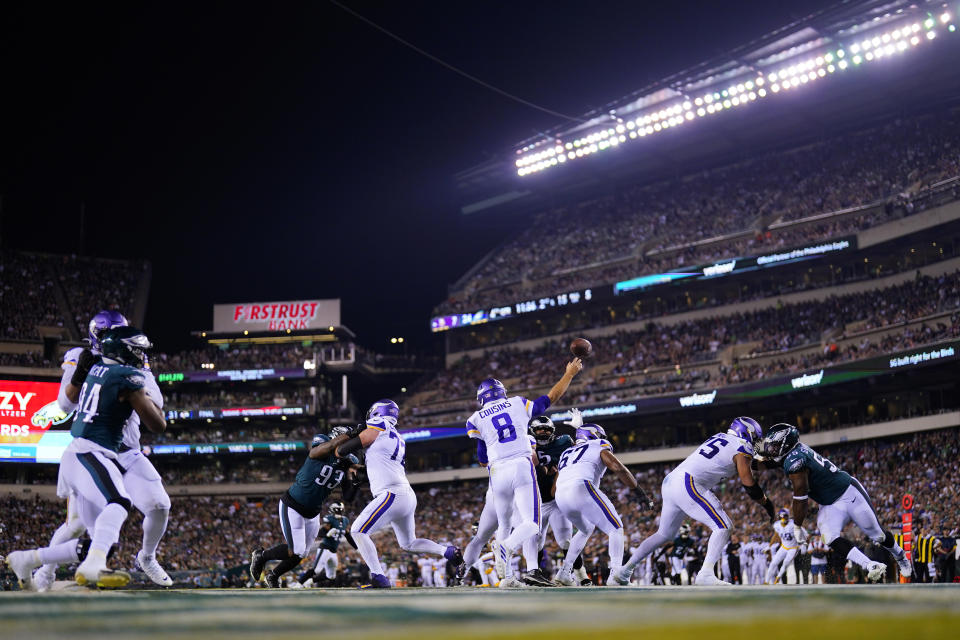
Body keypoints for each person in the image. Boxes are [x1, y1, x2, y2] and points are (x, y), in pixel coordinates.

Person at [5, 327, 166, 589]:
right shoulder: (127, 376)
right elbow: (158, 425)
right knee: (118, 502)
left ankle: (28, 559)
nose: (142, 356)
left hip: (83, 453)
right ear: (124, 351)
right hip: (89, 453)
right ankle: (92, 566)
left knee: (99, 540)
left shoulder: (94, 368)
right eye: (137, 350)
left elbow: (67, 400)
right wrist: (142, 387)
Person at [611, 417, 775, 586]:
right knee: (723, 526)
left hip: (671, 481)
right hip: (687, 483)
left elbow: (749, 464)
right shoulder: (742, 447)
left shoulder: (722, 438)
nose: (755, 442)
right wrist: (767, 504)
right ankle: (706, 574)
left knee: (664, 534)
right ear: (746, 433)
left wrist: (773, 464)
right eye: (754, 438)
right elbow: (749, 484)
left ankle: (624, 571)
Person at [466, 359, 582, 587]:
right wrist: (569, 374)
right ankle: (507, 546)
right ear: (502, 393)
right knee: (532, 524)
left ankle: (507, 578)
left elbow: (482, 459)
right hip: (520, 464)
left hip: (496, 471)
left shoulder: (474, 419)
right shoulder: (517, 403)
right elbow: (550, 398)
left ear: (482, 398)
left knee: (504, 522)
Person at [758, 423, 912, 583]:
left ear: (786, 444)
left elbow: (800, 497)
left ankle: (900, 556)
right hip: (829, 503)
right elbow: (762, 463)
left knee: (878, 535)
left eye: (775, 445)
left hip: (848, 493)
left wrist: (797, 525)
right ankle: (870, 565)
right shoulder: (789, 454)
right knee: (829, 536)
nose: (771, 449)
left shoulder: (796, 460)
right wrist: (744, 459)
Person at [338, 400, 464, 589]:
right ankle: (447, 551)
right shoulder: (395, 435)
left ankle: (379, 577)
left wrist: (349, 438)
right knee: (409, 543)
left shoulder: (379, 424)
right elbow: (378, 467)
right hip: (404, 494)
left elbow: (343, 449)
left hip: (391, 493)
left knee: (358, 531)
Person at [249, 426, 359, 587]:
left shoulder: (345, 463)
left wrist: (356, 480)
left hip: (313, 512)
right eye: (347, 441)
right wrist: (349, 435)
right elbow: (316, 452)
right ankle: (261, 555)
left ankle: (273, 575)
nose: (349, 447)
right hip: (293, 505)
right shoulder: (322, 444)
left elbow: (348, 496)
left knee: (303, 553)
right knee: (297, 549)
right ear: (338, 438)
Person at [550, 422, 649, 586]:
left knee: (585, 528)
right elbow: (617, 467)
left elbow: (553, 490)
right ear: (593, 435)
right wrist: (639, 491)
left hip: (561, 496)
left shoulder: (566, 452)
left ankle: (564, 572)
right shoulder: (599, 444)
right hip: (581, 487)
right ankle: (616, 574)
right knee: (615, 527)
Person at [529, 413, 582, 581]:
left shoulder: (564, 442)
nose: (543, 432)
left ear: (552, 431)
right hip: (534, 502)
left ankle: (581, 576)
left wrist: (579, 430)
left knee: (566, 541)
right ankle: (534, 576)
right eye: (539, 429)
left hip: (556, 500)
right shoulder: (526, 445)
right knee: (536, 543)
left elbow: (582, 450)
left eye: (546, 429)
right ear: (532, 431)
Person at [298, 502, 350, 587]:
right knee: (317, 570)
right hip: (325, 548)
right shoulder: (330, 519)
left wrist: (356, 547)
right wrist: (327, 534)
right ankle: (299, 583)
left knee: (331, 576)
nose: (339, 512)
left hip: (333, 550)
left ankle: (310, 581)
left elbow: (348, 535)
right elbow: (320, 533)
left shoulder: (345, 520)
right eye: (338, 510)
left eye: (340, 510)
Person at [765, 508, 801, 584]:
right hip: (784, 547)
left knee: (786, 562)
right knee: (773, 563)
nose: (783, 518)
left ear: (788, 516)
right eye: (781, 516)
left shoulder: (793, 524)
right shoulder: (777, 525)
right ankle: (766, 581)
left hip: (793, 548)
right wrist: (769, 545)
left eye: (785, 516)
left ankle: (778, 577)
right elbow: (775, 536)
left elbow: (800, 534)